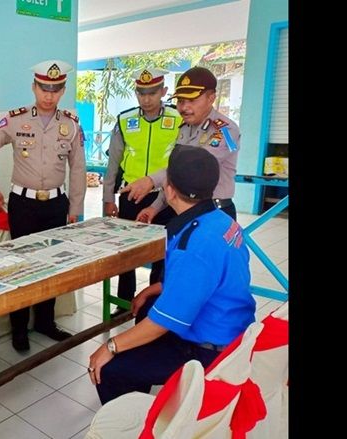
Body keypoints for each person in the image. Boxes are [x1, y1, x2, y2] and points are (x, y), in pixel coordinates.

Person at [87, 145, 255, 405]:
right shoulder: (221, 220)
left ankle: (133, 423)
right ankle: (139, 396)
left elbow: (163, 323)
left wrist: (110, 346)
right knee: (146, 306)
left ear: (169, 191)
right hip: (232, 326)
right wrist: (155, 288)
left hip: (209, 350)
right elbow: (205, 279)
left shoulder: (194, 243)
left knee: (108, 369)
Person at [0, 59, 86, 351]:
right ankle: (19, 329)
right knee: (21, 267)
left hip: (56, 205)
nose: (49, 94)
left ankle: (44, 321)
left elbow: (78, 168)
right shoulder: (15, 119)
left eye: (55, 89)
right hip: (23, 205)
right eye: (43, 87)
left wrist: (75, 207)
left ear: (63, 90)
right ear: (34, 87)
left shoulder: (70, 123)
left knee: (51, 266)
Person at [102, 68, 182, 313]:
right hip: (130, 196)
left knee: (162, 254)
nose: (146, 98)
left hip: (167, 198)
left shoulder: (178, 119)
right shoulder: (125, 120)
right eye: (141, 93)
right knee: (127, 253)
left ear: (164, 92)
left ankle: (153, 303)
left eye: (152, 92)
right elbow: (113, 163)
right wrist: (108, 198)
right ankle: (124, 303)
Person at [120, 66, 241, 221]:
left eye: (192, 100)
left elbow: (193, 168)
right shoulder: (184, 128)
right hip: (185, 211)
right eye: (181, 101)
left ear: (211, 98)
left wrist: (150, 180)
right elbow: (176, 174)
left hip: (214, 212)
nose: (184, 107)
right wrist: (154, 207)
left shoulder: (226, 130)